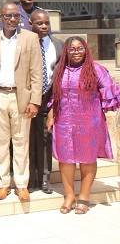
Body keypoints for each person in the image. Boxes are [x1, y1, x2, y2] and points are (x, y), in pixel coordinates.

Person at [46, 36, 119, 214]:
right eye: (72, 49)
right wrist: (50, 114)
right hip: (64, 120)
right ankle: (69, 195)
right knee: (65, 159)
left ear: (85, 50)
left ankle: (84, 197)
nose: (76, 52)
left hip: (89, 121)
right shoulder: (60, 70)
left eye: (80, 48)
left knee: (87, 159)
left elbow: (109, 90)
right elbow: (56, 95)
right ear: (66, 51)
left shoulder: (96, 69)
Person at [0, 2, 42, 203]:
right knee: (0, 142)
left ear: (20, 18)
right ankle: (3, 184)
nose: (11, 19)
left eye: (15, 16)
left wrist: (35, 101)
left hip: (21, 97)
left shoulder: (30, 38)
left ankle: (21, 185)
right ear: (0, 17)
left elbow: (37, 73)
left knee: (21, 141)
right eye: (7, 16)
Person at [28, 9, 63, 194]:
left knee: (45, 138)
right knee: (27, 139)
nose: (43, 26)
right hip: (27, 100)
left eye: (46, 23)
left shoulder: (58, 44)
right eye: (39, 23)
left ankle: (44, 179)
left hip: (47, 98)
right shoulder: (24, 42)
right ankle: (30, 178)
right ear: (30, 24)